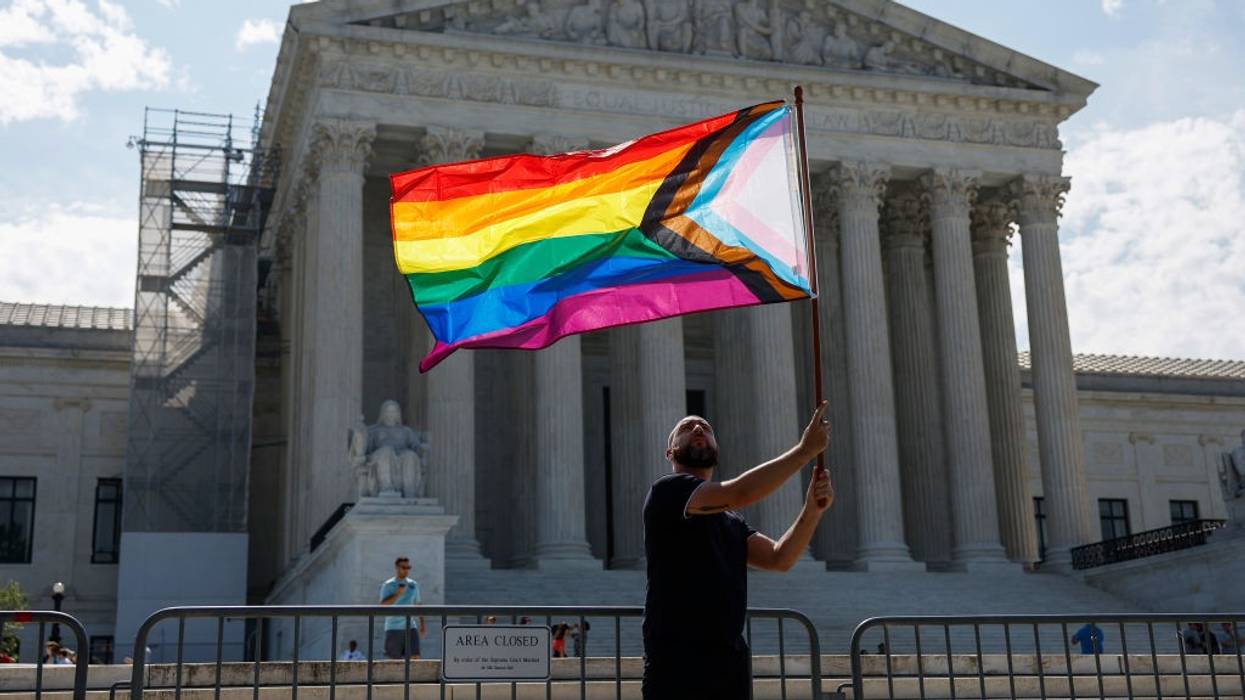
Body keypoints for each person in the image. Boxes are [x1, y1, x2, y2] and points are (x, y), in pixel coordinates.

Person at [642, 402, 833, 699]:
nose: (697, 428)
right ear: (670, 453)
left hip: (728, 662)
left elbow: (779, 558)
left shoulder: (730, 521)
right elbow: (740, 493)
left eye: (705, 427)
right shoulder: (667, 492)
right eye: (685, 428)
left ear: (717, 449)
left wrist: (813, 508)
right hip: (677, 660)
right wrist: (804, 451)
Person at [379, 556, 426, 660]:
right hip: (393, 627)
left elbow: (418, 604)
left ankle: (413, 677)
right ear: (397, 567)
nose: (406, 570)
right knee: (394, 662)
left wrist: (422, 625)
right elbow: (382, 605)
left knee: (415, 658)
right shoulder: (388, 585)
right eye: (403, 567)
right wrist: (397, 594)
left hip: (410, 626)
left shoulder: (413, 584)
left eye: (408, 567)